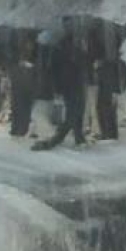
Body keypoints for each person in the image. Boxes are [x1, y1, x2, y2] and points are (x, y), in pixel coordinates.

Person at [32, 15, 89, 151]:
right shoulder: (64, 44)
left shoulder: (68, 43)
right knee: (74, 111)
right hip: (70, 81)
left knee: (77, 109)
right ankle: (60, 138)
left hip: (71, 80)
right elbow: (56, 66)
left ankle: (77, 136)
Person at [7, 28, 39, 138]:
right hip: (24, 82)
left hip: (21, 82)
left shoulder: (17, 53)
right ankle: (19, 129)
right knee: (22, 106)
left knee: (20, 105)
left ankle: (18, 128)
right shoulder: (31, 54)